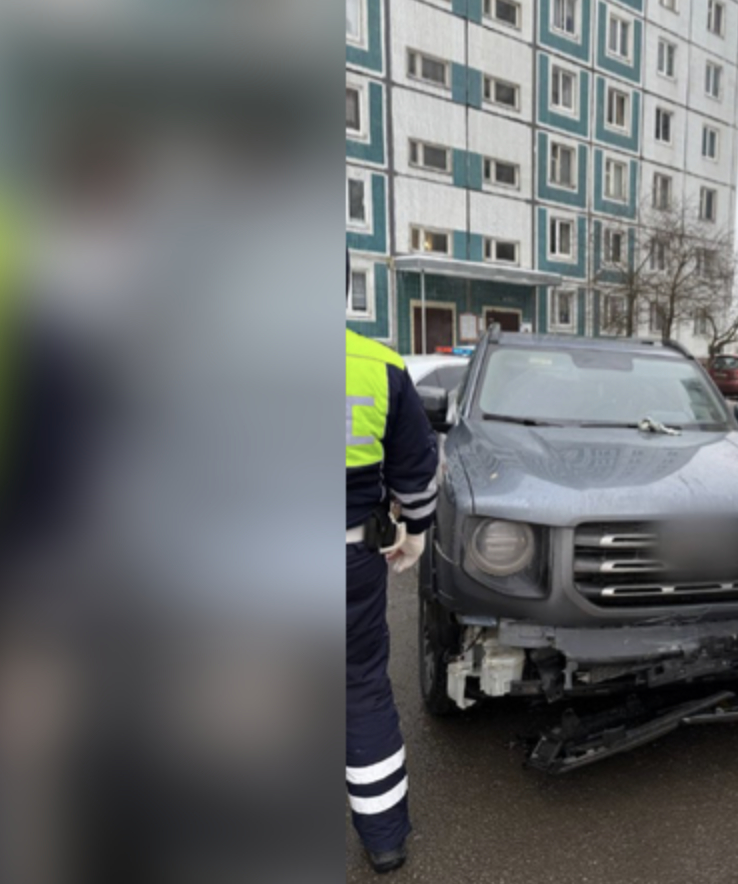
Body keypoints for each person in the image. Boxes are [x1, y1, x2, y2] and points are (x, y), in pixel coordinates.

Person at [345, 248, 439, 874]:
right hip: (348, 557)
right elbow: (417, 469)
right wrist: (416, 534)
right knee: (360, 687)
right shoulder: (378, 365)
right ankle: (384, 839)